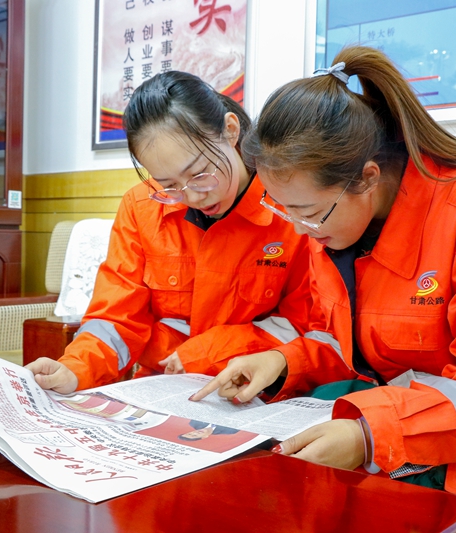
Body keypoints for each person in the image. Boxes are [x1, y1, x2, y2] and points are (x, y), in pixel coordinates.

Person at [191, 46, 456, 531]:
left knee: (366, 505)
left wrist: (370, 437)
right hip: (422, 402)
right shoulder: (331, 222)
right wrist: (287, 361)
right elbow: (351, 339)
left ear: (367, 178)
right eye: (284, 210)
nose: (299, 230)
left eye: (307, 212)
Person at [26, 70, 317, 395]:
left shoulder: (289, 208)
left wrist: (204, 354)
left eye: (200, 174)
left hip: (254, 393)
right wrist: (75, 370)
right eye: (168, 186)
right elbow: (117, 320)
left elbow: (301, 325)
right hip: (159, 389)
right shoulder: (140, 207)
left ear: (231, 131)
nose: (191, 196)